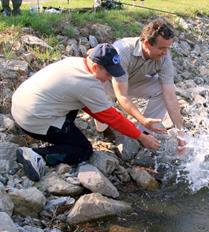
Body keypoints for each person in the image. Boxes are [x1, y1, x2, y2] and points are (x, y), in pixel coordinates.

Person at [11, 43, 161, 182]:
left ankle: (54, 133)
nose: (110, 78)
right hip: (32, 119)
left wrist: (107, 113)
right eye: (109, 73)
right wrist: (141, 137)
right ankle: (37, 155)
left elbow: (91, 107)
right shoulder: (87, 84)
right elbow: (112, 118)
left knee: (77, 107)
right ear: (96, 67)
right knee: (83, 150)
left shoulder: (74, 62)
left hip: (22, 105)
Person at [101, 18, 186, 154]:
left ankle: (143, 132)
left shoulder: (165, 57)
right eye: (161, 48)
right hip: (106, 83)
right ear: (146, 43)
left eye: (168, 48)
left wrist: (181, 133)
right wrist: (142, 118)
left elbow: (170, 95)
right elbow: (121, 95)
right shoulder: (122, 50)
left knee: (162, 90)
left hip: (133, 82)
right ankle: (105, 130)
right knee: (102, 121)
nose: (166, 52)